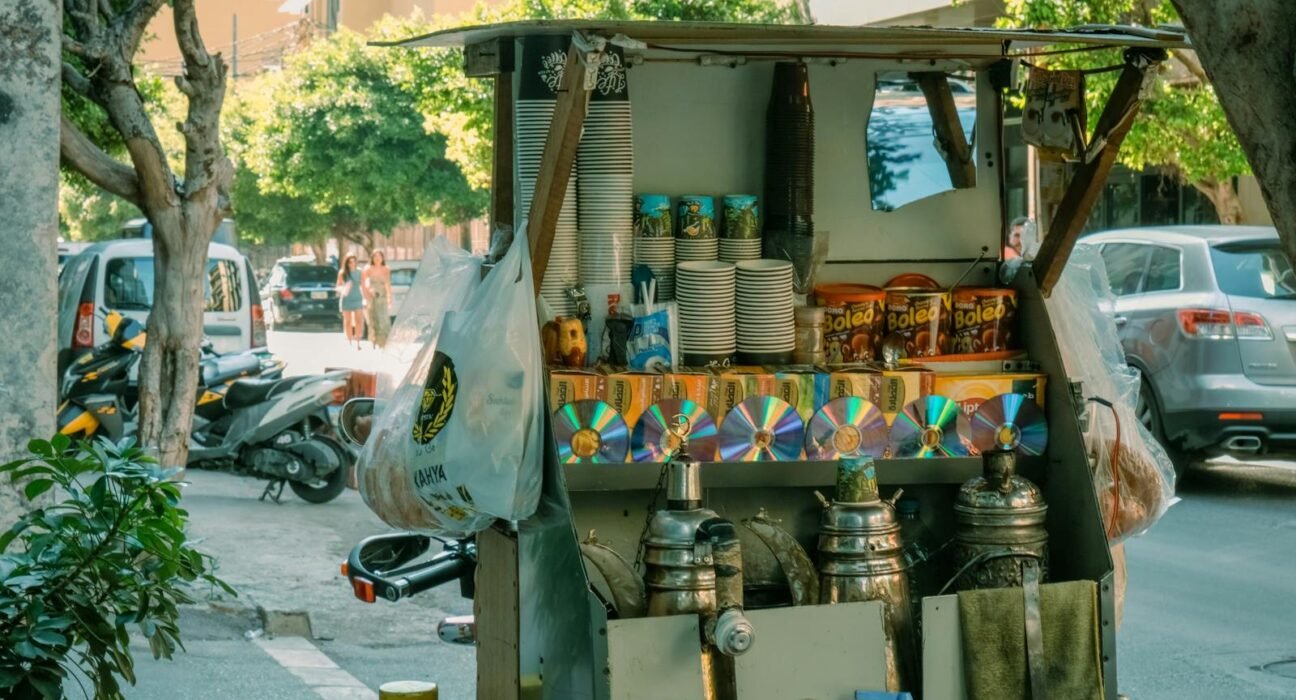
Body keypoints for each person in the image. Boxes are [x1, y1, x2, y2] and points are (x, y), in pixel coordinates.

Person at [363, 250, 393, 349]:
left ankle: (384, 342)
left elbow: (388, 284)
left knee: (384, 319)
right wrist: (369, 292)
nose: (377, 258)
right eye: (375, 256)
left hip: (382, 297)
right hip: (371, 297)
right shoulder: (367, 269)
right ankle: (374, 341)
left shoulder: (386, 269)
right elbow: (365, 283)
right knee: (373, 319)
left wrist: (389, 298)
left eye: (379, 256)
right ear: (372, 258)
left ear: (382, 258)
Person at [337, 255, 366, 349]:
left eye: (354, 261)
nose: (352, 263)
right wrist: (344, 287)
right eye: (350, 262)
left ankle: (358, 342)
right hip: (346, 299)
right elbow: (338, 286)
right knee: (347, 321)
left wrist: (366, 298)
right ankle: (349, 342)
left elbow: (364, 285)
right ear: (346, 263)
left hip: (358, 298)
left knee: (359, 320)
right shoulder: (342, 273)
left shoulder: (360, 272)